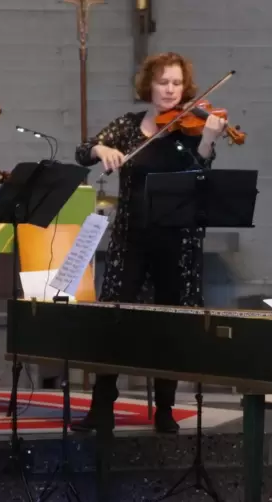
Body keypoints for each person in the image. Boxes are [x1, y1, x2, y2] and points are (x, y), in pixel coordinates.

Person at [71, 52, 227, 434]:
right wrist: (99, 149)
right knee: (114, 321)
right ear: (149, 86)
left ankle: (165, 410)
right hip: (131, 238)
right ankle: (102, 407)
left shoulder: (191, 129)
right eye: (163, 82)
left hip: (177, 242)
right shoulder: (128, 126)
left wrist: (208, 139)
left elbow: (199, 172)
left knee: (169, 324)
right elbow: (82, 152)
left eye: (176, 83)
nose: (170, 90)